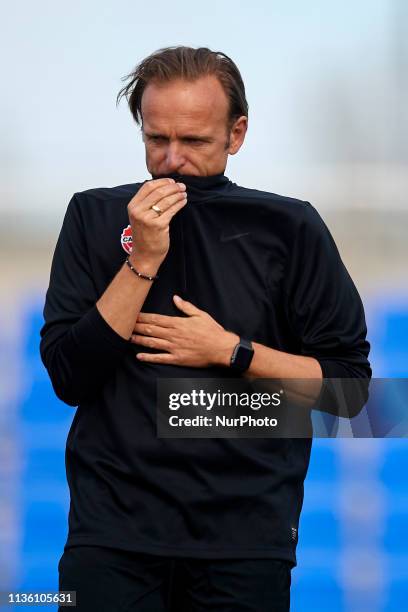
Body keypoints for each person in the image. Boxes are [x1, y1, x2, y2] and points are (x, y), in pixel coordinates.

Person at [40, 46, 371, 611]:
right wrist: (142, 258)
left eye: (193, 141)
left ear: (236, 133)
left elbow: (349, 390)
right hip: (111, 534)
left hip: (244, 541)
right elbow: (70, 376)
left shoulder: (289, 226)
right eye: (155, 139)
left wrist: (230, 351)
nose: (171, 159)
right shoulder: (93, 216)